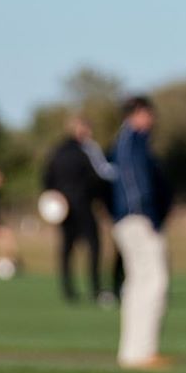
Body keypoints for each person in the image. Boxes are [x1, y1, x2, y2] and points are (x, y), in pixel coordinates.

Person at [109, 96, 173, 369]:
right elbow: (135, 183)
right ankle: (142, 352)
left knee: (137, 283)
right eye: (147, 114)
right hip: (138, 219)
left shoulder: (129, 142)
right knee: (153, 282)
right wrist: (146, 213)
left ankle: (133, 353)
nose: (151, 120)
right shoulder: (131, 142)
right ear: (135, 114)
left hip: (132, 219)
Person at [42, 116, 115, 302]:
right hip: (82, 205)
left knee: (66, 248)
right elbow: (96, 178)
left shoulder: (56, 152)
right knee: (93, 245)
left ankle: (68, 290)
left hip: (63, 209)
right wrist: (103, 201)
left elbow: (47, 179)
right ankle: (95, 289)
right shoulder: (86, 151)